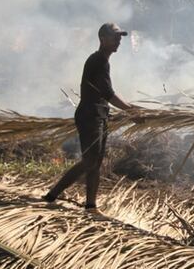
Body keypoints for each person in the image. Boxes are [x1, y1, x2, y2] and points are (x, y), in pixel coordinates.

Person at [43, 22, 140, 212]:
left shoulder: (103, 60)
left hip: (99, 115)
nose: (119, 41)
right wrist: (131, 111)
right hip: (90, 116)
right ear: (103, 39)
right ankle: (53, 194)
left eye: (120, 37)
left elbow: (107, 94)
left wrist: (130, 108)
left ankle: (90, 205)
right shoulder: (98, 61)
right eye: (115, 37)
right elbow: (108, 93)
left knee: (95, 162)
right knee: (90, 161)